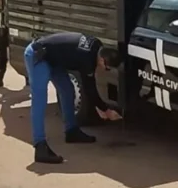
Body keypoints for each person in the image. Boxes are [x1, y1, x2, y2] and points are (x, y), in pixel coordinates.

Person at [24, 32, 123, 164]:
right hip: (38, 55)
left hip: (53, 59)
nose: (106, 70)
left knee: (68, 90)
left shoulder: (96, 46)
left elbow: (90, 89)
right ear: (102, 60)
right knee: (40, 99)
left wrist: (100, 108)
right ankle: (40, 146)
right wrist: (106, 110)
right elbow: (90, 88)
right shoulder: (87, 58)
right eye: (107, 68)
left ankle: (71, 131)